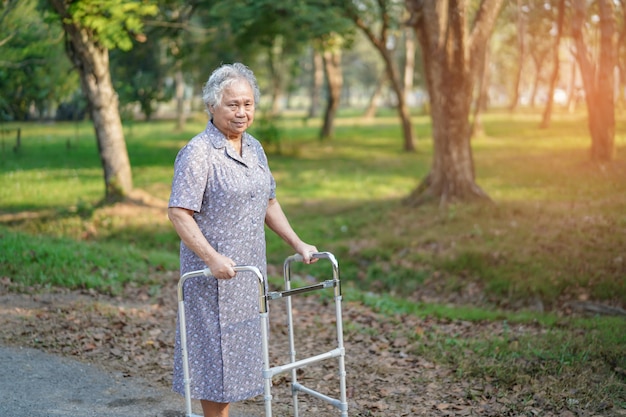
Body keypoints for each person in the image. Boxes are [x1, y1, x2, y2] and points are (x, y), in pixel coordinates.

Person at [167, 62, 318, 417]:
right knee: (216, 365)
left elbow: (268, 201)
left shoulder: (254, 147)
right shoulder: (198, 153)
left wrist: (299, 243)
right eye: (233, 104)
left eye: (248, 104)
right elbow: (178, 212)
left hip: (249, 277)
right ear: (211, 106)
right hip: (213, 278)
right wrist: (211, 258)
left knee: (236, 362)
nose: (242, 112)